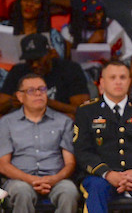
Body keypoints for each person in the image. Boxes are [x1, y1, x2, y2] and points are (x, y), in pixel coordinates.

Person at [73, 61, 132, 213]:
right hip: (101, 177)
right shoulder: (87, 111)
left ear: (129, 81)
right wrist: (108, 173)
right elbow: (83, 151)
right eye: (113, 77)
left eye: (123, 77)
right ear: (102, 83)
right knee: (96, 188)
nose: (118, 82)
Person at [0, 73, 79, 213]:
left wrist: (54, 179)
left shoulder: (63, 121)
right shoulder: (6, 123)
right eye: (31, 90)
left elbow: (70, 163)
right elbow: (3, 165)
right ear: (20, 97)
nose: (38, 94)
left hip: (56, 179)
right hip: (20, 179)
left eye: (42, 89)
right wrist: (31, 179)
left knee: (69, 191)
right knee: (21, 192)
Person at [0, 33, 89, 117]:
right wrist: (11, 102)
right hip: (24, 123)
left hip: (58, 122)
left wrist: (47, 102)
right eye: (29, 60)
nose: (34, 65)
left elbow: (83, 110)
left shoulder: (69, 69)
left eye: (38, 59)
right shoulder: (18, 71)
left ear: (50, 53)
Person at [61, 0, 132, 61]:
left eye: (99, 11)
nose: (98, 17)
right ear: (80, 16)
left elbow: (130, 55)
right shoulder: (68, 32)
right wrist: (89, 45)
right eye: (91, 15)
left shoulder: (111, 26)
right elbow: (68, 65)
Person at [0, 0, 65, 59]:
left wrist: (52, 58)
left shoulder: (53, 35)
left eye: (36, 1)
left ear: (42, 7)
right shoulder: (3, 27)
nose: (29, 4)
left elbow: (59, 64)